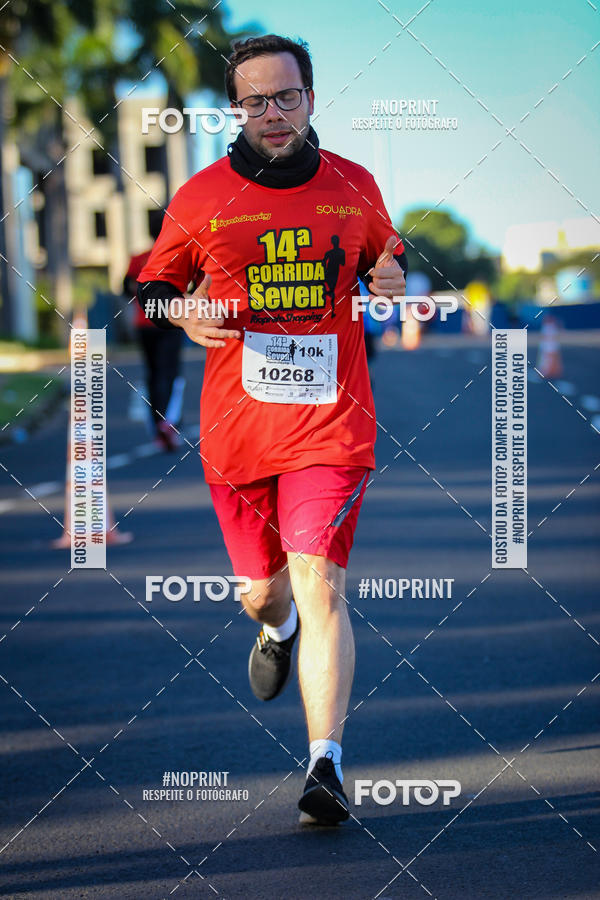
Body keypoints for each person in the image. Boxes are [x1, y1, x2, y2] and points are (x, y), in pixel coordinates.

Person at [137, 34, 407, 825]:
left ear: (312, 98)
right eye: (255, 101)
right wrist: (181, 310)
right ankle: (275, 625)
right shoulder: (199, 197)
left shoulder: (351, 186)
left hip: (332, 425)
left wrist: (391, 274)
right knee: (261, 590)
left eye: (286, 96)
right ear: (237, 109)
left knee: (318, 575)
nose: (273, 113)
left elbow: (384, 258)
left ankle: (327, 763)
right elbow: (153, 286)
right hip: (237, 432)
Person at [124, 211, 184, 451]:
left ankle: (158, 426)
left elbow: (125, 288)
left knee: (152, 374)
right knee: (170, 374)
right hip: (171, 322)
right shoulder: (176, 256)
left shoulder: (138, 259)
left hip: (144, 323)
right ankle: (167, 423)